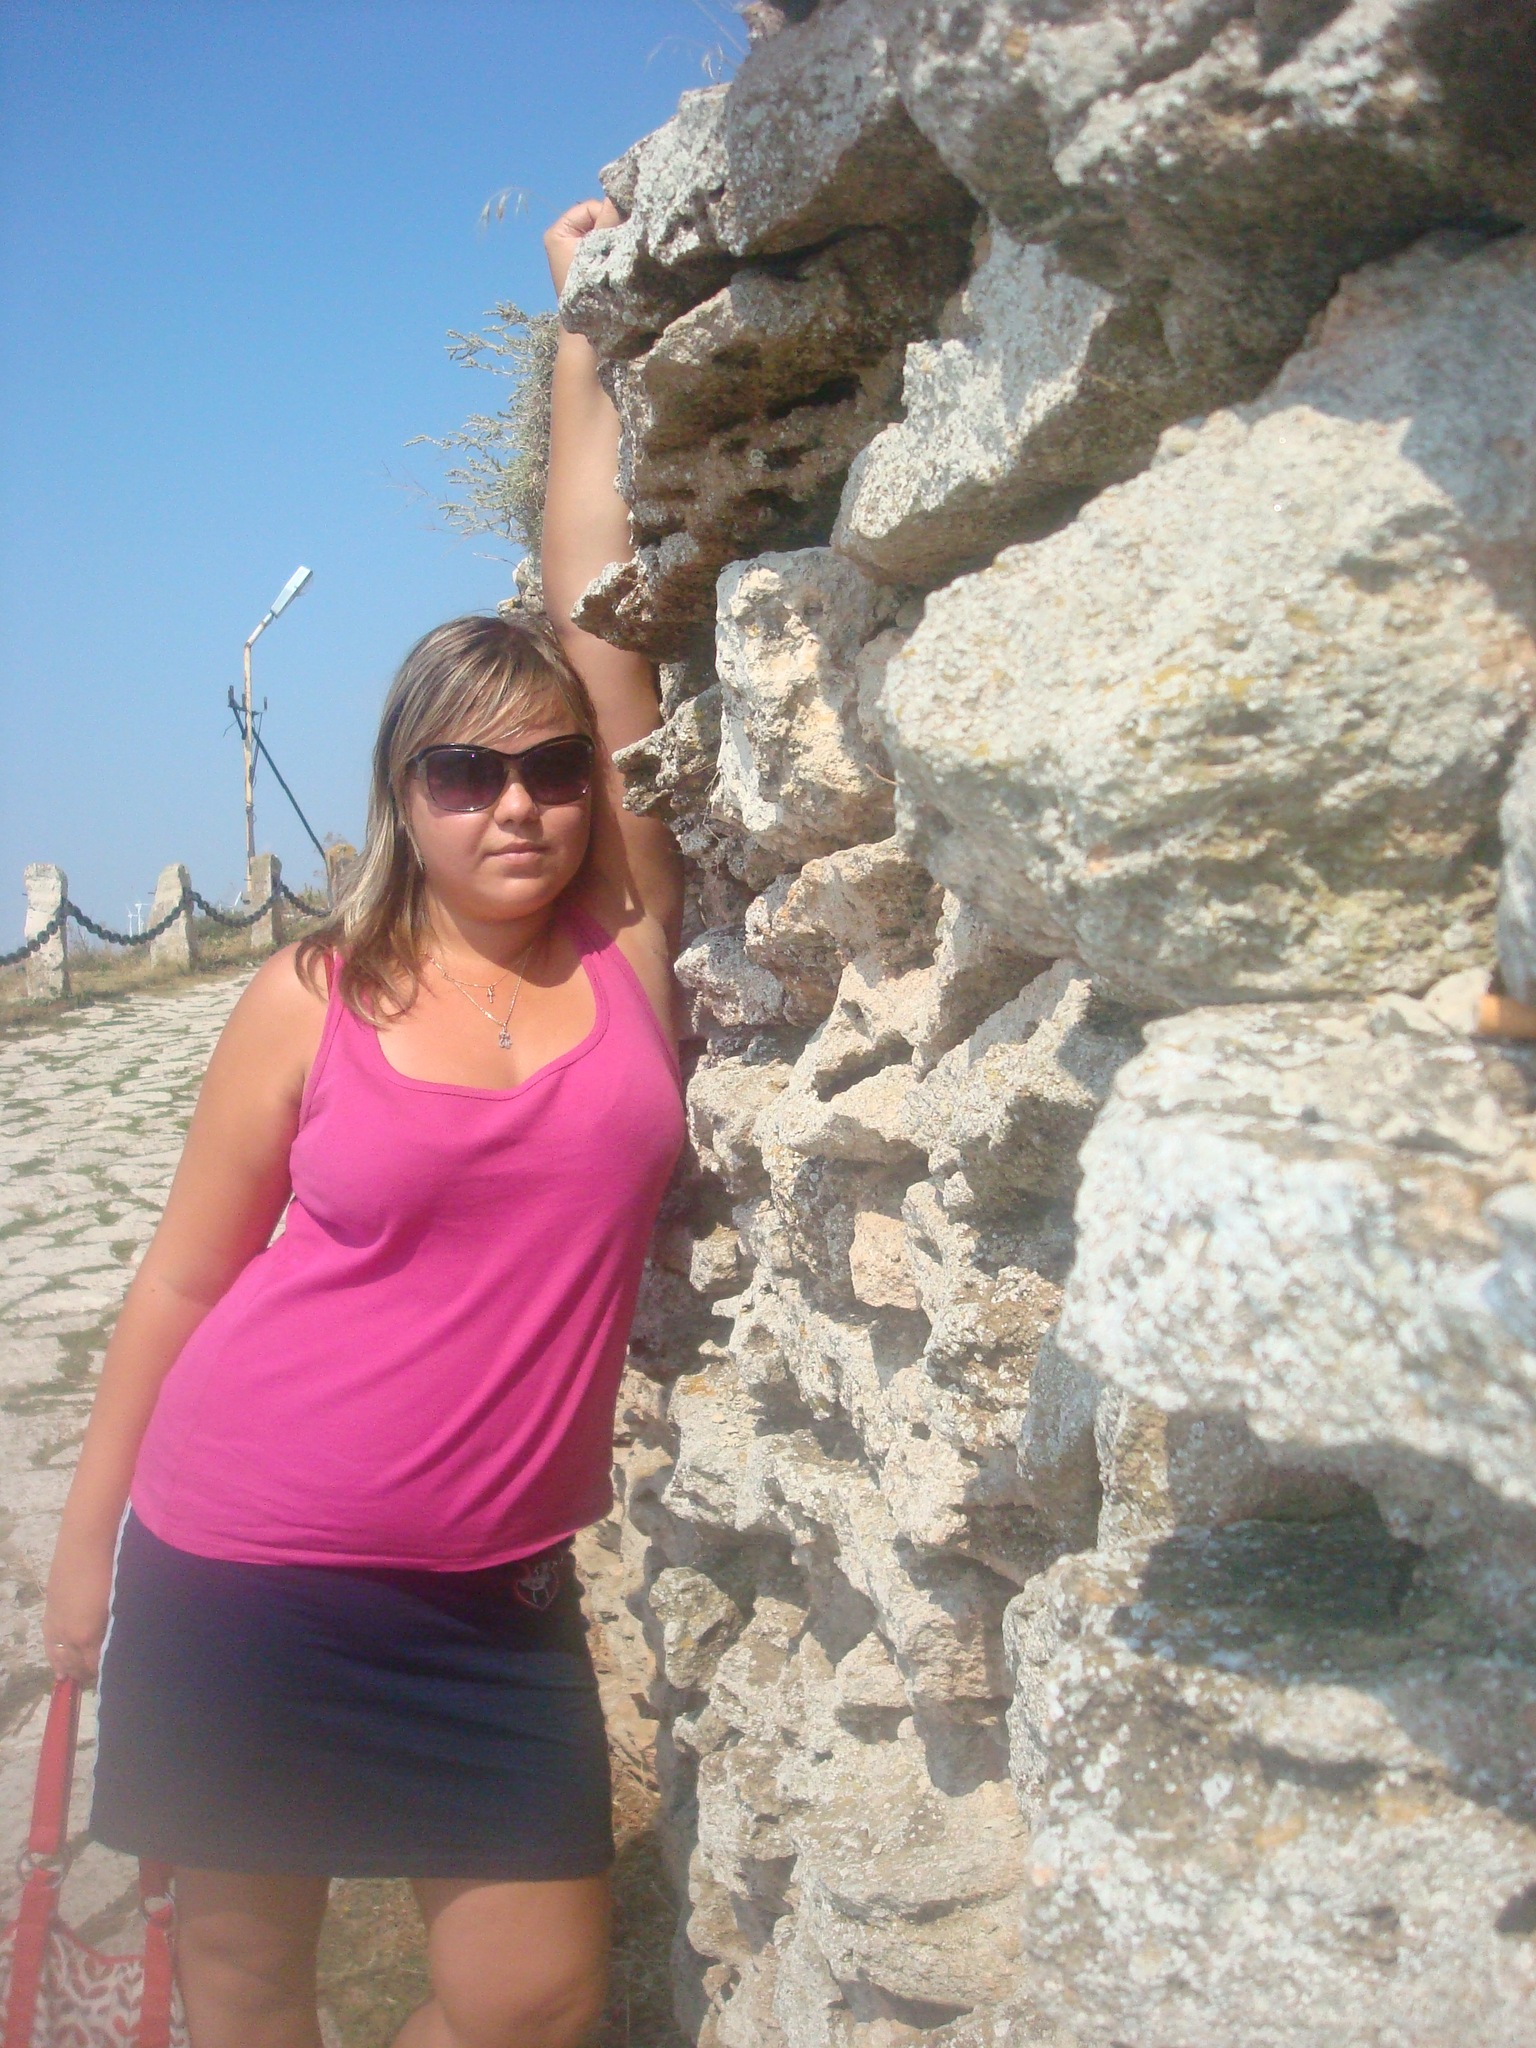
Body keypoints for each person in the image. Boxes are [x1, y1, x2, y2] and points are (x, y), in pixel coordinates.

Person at [40, 197, 680, 2048]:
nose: (518, 803)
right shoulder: (307, 1001)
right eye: (465, 771)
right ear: (406, 795)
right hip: (245, 1559)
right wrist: (87, 1549)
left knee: (532, 2003)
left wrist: (583, 324)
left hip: (492, 1602)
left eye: (551, 769)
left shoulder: (630, 947)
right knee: (250, 1980)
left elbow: (592, 593)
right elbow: (180, 1284)